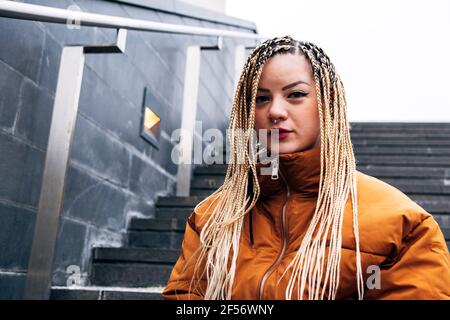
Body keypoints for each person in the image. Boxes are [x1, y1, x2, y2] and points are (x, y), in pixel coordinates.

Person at [162, 35, 450, 300]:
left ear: (329, 102)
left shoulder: (402, 223)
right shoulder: (210, 218)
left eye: (295, 95)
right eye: (261, 98)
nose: (275, 111)